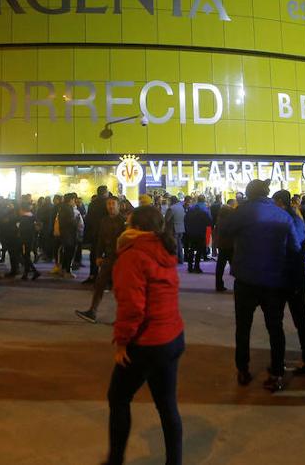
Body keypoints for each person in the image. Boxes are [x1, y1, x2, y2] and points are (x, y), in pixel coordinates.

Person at [104, 205, 185, 465]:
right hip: (172, 336)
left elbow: (132, 307)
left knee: (118, 397)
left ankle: (115, 459)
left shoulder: (133, 255)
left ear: (135, 227)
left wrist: (122, 343)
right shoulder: (165, 249)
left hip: (147, 342)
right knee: (167, 405)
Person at [218, 178, 303, 392]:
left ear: (248, 193)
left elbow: (224, 232)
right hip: (275, 281)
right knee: (275, 328)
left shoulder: (243, 212)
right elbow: (295, 246)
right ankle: (277, 372)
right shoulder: (282, 214)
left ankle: (243, 370)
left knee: (243, 327)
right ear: (267, 193)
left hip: (246, 279)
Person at [273, 189, 305, 376]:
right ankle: (304, 358)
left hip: (288, 276)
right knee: (297, 319)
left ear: (280, 202)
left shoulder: (288, 220)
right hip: (293, 277)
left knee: (289, 319)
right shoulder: (294, 218)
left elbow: (295, 245)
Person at [75, 196, 131, 323]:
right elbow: (100, 239)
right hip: (108, 257)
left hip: (120, 258)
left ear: (118, 205)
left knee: (120, 289)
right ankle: (92, 311)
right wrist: (99, 255)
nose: (111, 206)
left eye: (113, 204)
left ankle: (122, 316)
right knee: (99, 284)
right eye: (109, 204)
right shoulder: (104, 220)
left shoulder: (124, 221)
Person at [83, 185, 110, 284]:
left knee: (94, 255)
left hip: (94, 234)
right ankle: (105, 279)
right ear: (105, 192)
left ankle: (92, 275)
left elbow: (88, 220)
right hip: (105, 234)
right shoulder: (107, 203)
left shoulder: (92, 204)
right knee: (107, 256)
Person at [183, 198, 212, 273]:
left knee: (191, 249)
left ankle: (190, 266)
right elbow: (209, 222)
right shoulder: (204, 212)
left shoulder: (189, 212)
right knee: (199, 250)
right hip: (201, 233)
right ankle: (197, 266)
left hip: (191, 232)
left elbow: (185, 220)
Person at [164, 197, 186, 265]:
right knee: (180, 245)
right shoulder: (181, 207)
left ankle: (175, 260)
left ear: (171, 201)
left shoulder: (171, 208)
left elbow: (167, 219)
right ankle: (181, 259)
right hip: (181, 228)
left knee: (174, 245)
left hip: (173, 229)